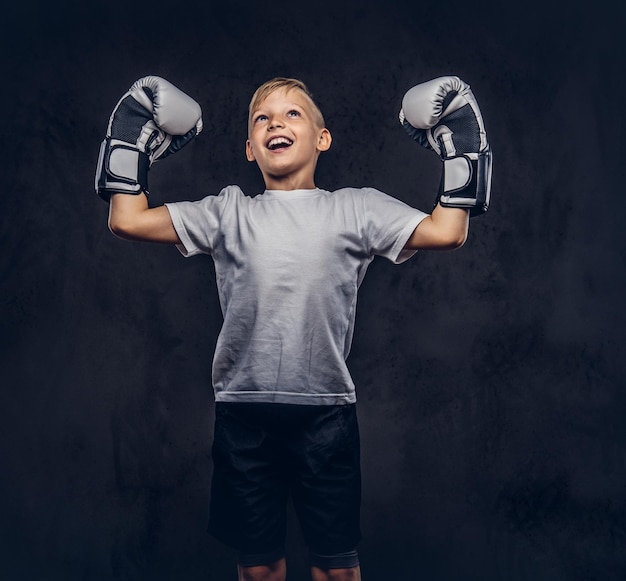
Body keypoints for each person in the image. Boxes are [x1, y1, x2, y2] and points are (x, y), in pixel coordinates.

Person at [95, 74, 491, 581]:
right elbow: (126, 220)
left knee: (337, 572)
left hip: (326, 417)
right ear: (248, 149)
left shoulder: (357, 207)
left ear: (322, 139)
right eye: (262, 118)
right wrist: (131, 138)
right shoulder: (227, 211)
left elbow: (447, 231)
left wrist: (459, 146)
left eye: (292, 114)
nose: (275, 123)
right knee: (258, 571)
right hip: (243, 414)